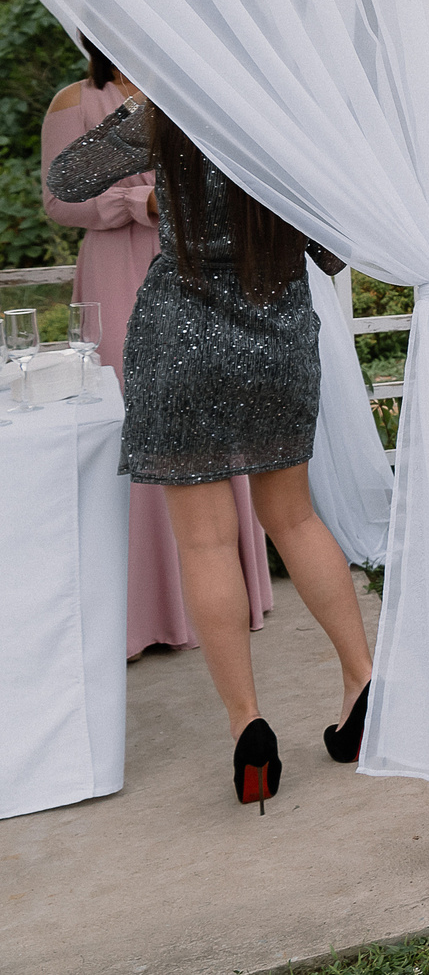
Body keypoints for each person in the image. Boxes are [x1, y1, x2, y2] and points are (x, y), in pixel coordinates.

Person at [48, 92, 372, 807]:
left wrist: (143, 129)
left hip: (181, 335)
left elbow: (68, 177)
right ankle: (361, 679)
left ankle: (248, 729)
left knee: (203, 543)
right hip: (277, 334)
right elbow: (335, 253)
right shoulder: (294, 118)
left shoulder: (168, 108)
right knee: (293, 518)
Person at [44, 37, 275, 659]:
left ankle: (229, 596)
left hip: (204, 271)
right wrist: (136, 202)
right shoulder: (79, 100)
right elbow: (60, 198)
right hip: (121, 271)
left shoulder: (193, 94)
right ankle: (149, 612)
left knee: (214, 418)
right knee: (145, 418)